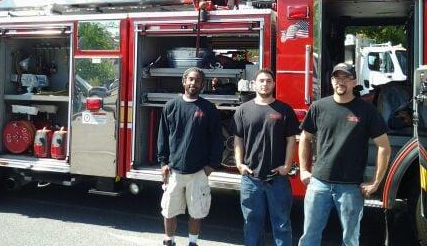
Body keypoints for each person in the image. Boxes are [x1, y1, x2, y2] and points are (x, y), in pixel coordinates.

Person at [298, 63, 391, 246]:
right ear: (332, 81)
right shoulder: (318, 107)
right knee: (309, 236)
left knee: (350, 239)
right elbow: (304, 138)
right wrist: (303, 170)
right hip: (319, 184)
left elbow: (384, 147)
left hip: (350, 187)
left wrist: (376, 182)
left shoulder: (367, 111)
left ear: (354, 81)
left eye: (346, 78)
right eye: (337, 78)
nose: (341, 82)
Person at [232, 68, 300, 246]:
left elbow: (291, 141)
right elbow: (238, 140)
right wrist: (239, 163)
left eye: (268, 81)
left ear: (274, 84)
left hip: (277, 179)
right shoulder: (243, 110)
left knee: (282, 225)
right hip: (251, 179)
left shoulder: (285, 110)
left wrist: (286, 166)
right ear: (255, 84)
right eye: (261, 81)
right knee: (252, 224)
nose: (265, 84)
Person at [157, 67, 223, 246]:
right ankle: (169, 240)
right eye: (191, 79)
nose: (194, 83)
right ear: (184, 81)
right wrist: (163, 162)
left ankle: (193, 242)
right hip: (174, 171)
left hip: (198, 171)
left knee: (197, 211)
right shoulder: (171, 106)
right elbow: (163, 135)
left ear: (203, 84)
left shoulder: (208, 108)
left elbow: (217, 139)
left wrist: (211, 165)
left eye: (198, 80)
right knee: (169, 210)